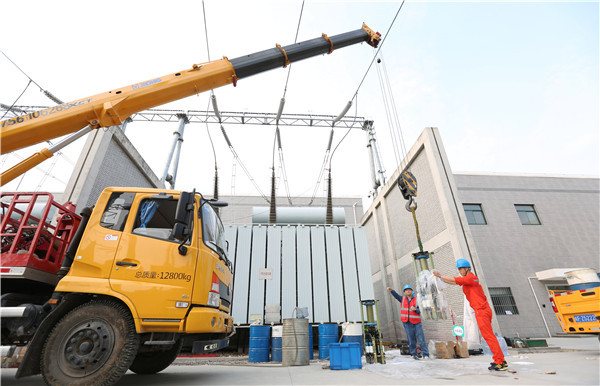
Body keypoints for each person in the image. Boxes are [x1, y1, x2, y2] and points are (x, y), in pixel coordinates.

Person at [433, 259, 508, 371]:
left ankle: (500, 362)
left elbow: (456, 280)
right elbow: (454, 282)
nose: (460, 271)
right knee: (488, 336)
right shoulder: (468, 279)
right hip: (481, 310)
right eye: (458, 269)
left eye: (461, 269)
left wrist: (440, 275)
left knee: (489, 337)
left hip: (481, 310)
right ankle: (500, 360)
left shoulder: (471, 278)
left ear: (467, 268)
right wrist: (439, 278)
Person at [387, 284, 429, 360]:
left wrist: (416, 310)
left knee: (421, 338)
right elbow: (396, 296)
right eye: (406, 290)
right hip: (407, 322)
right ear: (404, 292)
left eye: (409, 290)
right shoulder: (402, 299)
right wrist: (391, 290)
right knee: (411, 339)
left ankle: (425, 354)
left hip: (416, 322)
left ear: (412, 291)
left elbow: (422, 311)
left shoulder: (417, 300)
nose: (408, 291)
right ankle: (413, 354)